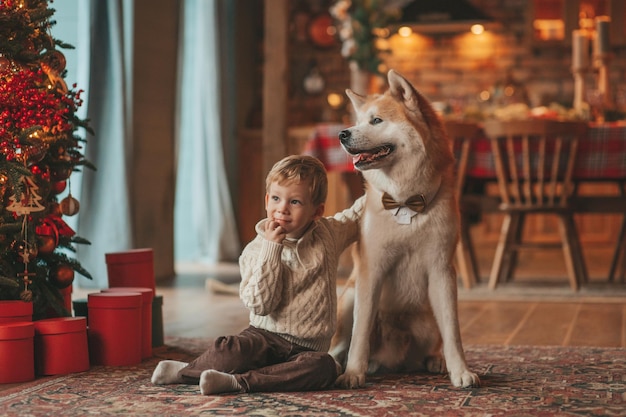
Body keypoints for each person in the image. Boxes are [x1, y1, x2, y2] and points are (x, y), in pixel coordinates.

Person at [151, 155, 363, 395]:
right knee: (230, 351)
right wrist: (272, 249)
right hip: (265, 337)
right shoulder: (254, 250)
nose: (282, 208)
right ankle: (184, 371)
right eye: (276, 198)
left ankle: (238, 382)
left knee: (324, 368)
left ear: (317, 211)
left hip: (309, 349)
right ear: (266, 200)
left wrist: (388, 186)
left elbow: (357, 215)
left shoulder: (328, 235)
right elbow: (260, 305)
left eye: (295, 202)